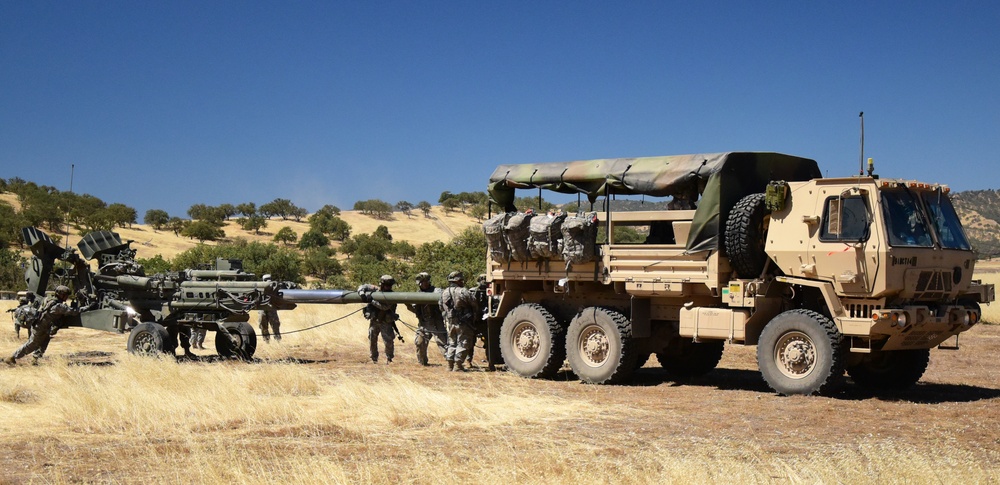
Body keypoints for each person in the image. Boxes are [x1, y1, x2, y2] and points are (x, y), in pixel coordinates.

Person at [4, 286, 80, 366]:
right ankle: (12, 357)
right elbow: (73, 312)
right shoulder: (58, 306)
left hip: (43, 326)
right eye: (65, 295)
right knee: (32, 344)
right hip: (40, 326)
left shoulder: (48, 299)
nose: (67, 297)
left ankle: (35, 359)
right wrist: (88, 307)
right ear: (60, 295)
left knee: (44, 342)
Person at [439, 271, 478, 372]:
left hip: (451, 321)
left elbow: (441, 306)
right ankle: (458, 365)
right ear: (458, 281)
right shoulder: (464, 291)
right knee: (463, 343)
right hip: (464, 323)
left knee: (452, 343)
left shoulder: (444, 292)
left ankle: (449, 365)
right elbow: (474, 304)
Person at [405, 272, 446, 366]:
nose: (421, 284)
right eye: (420, 282)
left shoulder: (437, 291)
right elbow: (415, 309)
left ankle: (451, 363)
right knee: (419, 343)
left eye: (423, 282)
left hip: (436, 323)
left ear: (427, 281)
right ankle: (422, 363)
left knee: (443, 344)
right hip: (423, 323)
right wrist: (408, 304)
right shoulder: (418, 294)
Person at [362, 275, 400, 364]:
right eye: (386, 285)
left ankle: (389, 358)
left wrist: (372, 301)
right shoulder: (375, 291)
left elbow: (384, 307)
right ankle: (374, 358)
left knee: (388, 341)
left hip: (386, 322)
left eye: (389, 285)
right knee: (372, 339)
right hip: (374, 320)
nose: (388, 287)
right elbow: (363, 287)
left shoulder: (392, 296)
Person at [259, 274, 282, 343]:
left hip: (271, 307)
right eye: (266, 280)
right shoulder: (260, 287)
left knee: (275, 324)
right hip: (262, 308)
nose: (268, 281)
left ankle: (278, 339)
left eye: (269, 279)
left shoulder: (274, 286)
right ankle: (266, 339)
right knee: (263, 324)